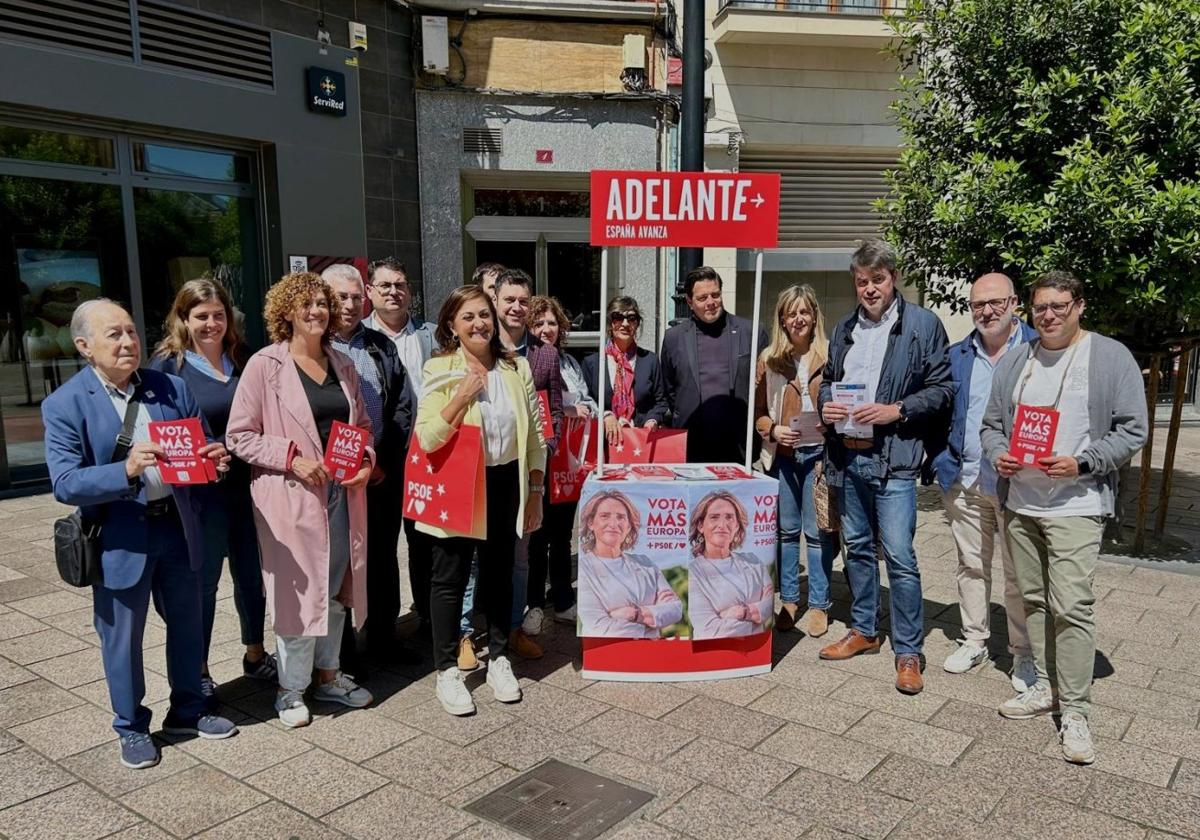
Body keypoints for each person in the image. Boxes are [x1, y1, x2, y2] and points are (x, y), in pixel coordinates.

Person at [44, 299, 238, 770]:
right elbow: (65, 482)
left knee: (190, 623)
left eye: (131, 331)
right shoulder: (65, 404)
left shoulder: (168, 388)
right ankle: (131, 726)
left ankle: (189, 709)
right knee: (122, 638)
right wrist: (125, 468)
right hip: (120, 536)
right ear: (85, 346)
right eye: (114, 335)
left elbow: (202, 448)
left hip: (177, 527)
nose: (128, 342)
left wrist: (215, 462)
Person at [982, 270, 1148, 765]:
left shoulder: (1108, 356)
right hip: (1023, 502)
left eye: (1058, 306)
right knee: (1031, 599)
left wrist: (1085, 461)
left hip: (1078, 502)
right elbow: (993, 426)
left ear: (1079, 306)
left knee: (1071, 605)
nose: (1048, 315)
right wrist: (999, 456)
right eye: (1040, 308)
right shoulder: (1018, 360)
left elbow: (1133, 428)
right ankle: (1045, 687)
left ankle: (1075, 710)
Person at [227, 272, 374, 729]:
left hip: (341, 493)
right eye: (306, 304)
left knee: (334, 588)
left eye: (322, 304)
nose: (316, 312)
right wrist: (291, 458)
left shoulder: (342, 363)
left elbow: (362, 425)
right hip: (290, 498)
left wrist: (365, 460)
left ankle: (328, 676)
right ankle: (290, 690)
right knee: (296, 596)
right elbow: (239, 436)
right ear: (286, 312)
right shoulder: (265, 366)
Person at [817, 239, 953, 695]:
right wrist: (827, 407)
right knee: (855, 547)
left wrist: (899, 410)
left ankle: (909, 651)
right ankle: (865, 631)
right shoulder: (844, 329)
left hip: (894, 459)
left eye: (877, 280)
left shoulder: (922, 325)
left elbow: (943, 389)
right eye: (862, 281)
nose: (869, 289)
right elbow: (829, 383)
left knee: (898, 556)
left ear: (893, 279)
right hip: (849, 455)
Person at [414, 285, 547, 716]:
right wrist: (462, 396)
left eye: (484, 315)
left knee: (498, 572)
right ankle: (447, 669)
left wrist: (536, 491)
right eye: (468, 317)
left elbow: (535, 440)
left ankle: (500, 657)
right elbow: (428, 437)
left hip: (506, 478)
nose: (479, 324)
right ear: (451, 325)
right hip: (460, 480)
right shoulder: (440, 368)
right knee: (449, 577)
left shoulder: (516, 368)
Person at [149, 280, 275, 712]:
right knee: (202, 585)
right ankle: (198, 671)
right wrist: (205, 450)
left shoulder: (243, 357)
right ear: (183, 319)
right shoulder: (168, 366)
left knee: (251, 575)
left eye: (218, 314)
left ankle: (255, 653)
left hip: (248, 487)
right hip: (200, 498)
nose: (211, 324)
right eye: (201, 316)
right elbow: (160, 429)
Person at [930, 273, 1037, 689]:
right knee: (971, 566)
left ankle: (1022, 654)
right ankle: (974, 638)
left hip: (1018, 484)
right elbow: (942, 409)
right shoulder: (958, 354)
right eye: (978, 305)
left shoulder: (1036, 350)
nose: (987, 311)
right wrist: (941, 461)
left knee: (1018, 574)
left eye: (996, 303)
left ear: (1014, 304)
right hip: (966, 479)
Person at [324, 264, 418, 669]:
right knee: (339, 560)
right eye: (339, 297)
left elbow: (402, 406)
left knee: (381, 557)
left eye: (353, 297)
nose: (348, 304)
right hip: (329, 478)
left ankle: (383, 635)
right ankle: (341, 651)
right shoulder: (310, 347)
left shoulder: (381, 346)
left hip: (378, 472)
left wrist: (381, 460)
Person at [754, 284, 839, 637]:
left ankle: (819, 605)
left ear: (814, 316)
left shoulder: (831, 355)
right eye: (791, 313)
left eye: (804, 312)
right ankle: (789, 601)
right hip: (784, 456)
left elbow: (844, 404)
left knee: (817, 533)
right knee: (786, 532)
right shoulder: (769, 360)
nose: (798, 319)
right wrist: (773, 430)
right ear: (782, 320)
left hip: (820, 455)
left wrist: (831, 421)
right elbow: (758, 413)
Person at [362, 258, 437, 643]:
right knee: (382, 545)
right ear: (369, 292)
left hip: (429, 457)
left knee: (426, 541)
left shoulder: (432, 335)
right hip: (385, 460)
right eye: (385, 285)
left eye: (401, 284)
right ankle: (383, 626)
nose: (394, 292)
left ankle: (428, 616)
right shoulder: (358, 339)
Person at [490, 268, 563, 658]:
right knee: (475, 557)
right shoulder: (480, 346)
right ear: (495, 302)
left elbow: (553, 408)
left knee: (521, 554)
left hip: (527, 470)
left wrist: (546, 447)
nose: (516, 307)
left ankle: (515, 628)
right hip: (484, 467)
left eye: (523, 301)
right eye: (509, 300)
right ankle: (470, 632)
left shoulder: (545, 353)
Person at [525, 295, 597, 628]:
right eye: (538, 323)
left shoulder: (569, 362)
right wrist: (566, 410)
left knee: (561, 533)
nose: (545, 329)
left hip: (568, 459)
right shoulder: (525, 359)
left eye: (551, 323)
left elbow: (587, 402)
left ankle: (563, 597)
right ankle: (535, 602)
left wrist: (594, 411)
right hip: (539, 457)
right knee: (537, 534)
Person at [660, 266, 768, 464]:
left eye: (715, 295)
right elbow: (670, 389)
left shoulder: (751, 332)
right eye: (702, 298)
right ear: (689, 302)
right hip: (691, 445)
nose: (711, 302)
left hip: (738, 445)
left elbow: (764, 386)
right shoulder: (673, 338)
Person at [576, 491, 683, 638]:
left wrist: (633, 614)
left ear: (629, 526)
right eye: (604, 516)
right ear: (591, 523)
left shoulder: (644, 563)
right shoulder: (584, 569)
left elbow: (676, 610)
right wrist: (653, 620)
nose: (613, 524)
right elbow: (599, 628)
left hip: (652, 652)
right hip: (607, 653)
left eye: (621, 517)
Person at [582, 296, 670, 450]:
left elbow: (661, 401)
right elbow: (585, 400)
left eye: (631, 318)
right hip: (602, 445)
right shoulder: (592, 363)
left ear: (637, 324)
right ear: (610, 323)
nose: (625, 323)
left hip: (640, 442)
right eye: (618, 317)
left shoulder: (650, 360)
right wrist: (605, 415)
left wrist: (652, 420)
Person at [687, 491, 774, 640]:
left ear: (737, 526)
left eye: (729, 517)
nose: (722, 525)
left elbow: (770, 604)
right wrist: (756, 616)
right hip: (714, 654)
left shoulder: (752, 561)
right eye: (714, 517)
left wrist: (743, 612)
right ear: (701, 525)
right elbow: (709, 630)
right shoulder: (693, 572)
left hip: (755, 649)